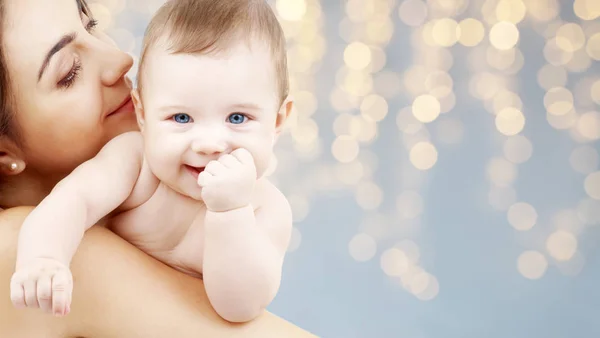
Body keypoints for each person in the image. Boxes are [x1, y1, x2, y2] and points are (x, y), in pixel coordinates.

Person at [0, 0, 313, 336]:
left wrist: (230, 215)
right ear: (143, 112)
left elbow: (239, 308)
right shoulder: (134, 163)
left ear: (278, 120)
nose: (208, 143)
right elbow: (74, 200)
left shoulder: (264, 208)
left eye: (237, 118)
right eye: (69, 72)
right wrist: (44, 258)